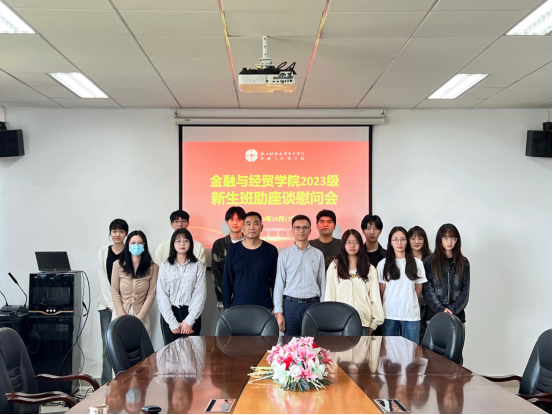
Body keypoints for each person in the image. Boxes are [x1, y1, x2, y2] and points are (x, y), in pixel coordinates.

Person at [274, 215, 326, 336]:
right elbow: (279, 284)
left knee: (313, 343)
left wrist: (323, 309)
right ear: (292, 230)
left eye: (305, 227)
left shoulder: (318, 254)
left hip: (313, 304)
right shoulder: (284, 255)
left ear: (310, 230)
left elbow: (322, 283)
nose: (301, 230)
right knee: (290, 343)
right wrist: (279, 312)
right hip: (291, 305)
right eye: (297, 227)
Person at [325, 230, 384, 336]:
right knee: (341, 347)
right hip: (340, 321)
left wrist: (375, 322)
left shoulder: (369, 268)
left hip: (363, 321)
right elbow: (330, 295)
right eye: (348, 242)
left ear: (360, 244)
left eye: (356, 242)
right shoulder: (335, 266)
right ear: (343, 244)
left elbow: (375, 297)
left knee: (362, 347)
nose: (352, 245)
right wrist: (330, 320)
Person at [378, 226, 427, 344]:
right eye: (395, 239)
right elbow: (382, 290)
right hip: (389, 315)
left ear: (407, 241)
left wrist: (409, 301)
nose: (399, 243)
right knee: (389, 353)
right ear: (390, 242)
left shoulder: (417, 263)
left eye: (403, 239)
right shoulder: (383, 264)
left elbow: (418, 289)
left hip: (411, 316)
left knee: (411, 353)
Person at [157, 228, 206, 345]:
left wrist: (189, 320)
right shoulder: (165, 266)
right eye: (178, 241)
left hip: (191, 313)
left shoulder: (198, 266)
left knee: (192, 352)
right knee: (171, 352)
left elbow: (200, 294)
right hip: (170, 313)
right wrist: (172, 322)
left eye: (186, 240)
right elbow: (162, 295)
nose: (182, 244)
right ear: (173, 244)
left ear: (191, 243)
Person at [223, 212, 278, 311]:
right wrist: (226, 306)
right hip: (239, 306)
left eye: (255, 223)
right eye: (248, 224)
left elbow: (276, 281)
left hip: (264, 307)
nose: (252, 227)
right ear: (243, 228)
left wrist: (276, 306)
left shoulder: (271, 250)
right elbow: (227, 279)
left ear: (261, 227)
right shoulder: (233, 250)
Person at [96, 218, 128, 385]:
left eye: (121, 231)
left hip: (125, 305)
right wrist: (111, 303)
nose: (117, 234)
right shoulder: (103, 252)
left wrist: (120, 305)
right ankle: (106, 385)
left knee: (124, 345)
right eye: (114, 231)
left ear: (126, 234)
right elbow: (102, 279)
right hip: (106, 306)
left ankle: (124, 383)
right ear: (110, 233)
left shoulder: (130, 251)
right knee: (107, 347)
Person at [111, 230, 159, 336]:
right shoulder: (117, 265)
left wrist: (140, 317)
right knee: (119, 344)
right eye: (133, 243)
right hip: (120, 313)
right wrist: (121, 315)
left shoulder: (153, 267)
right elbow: (114, 291)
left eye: (140, 243)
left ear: (144, 245)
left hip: (141, 315)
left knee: (140, 345)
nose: (136, 246)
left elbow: (151, 295)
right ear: (128, 245)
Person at [423, 224, 470, 328]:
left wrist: (452, 309)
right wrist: (441, 309)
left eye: (453, 238)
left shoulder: (463, 262)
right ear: (439, 239)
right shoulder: (429, 262)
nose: (449, 241)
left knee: (456, 339)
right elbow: (427, 290)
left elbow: (465, 291)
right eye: (445, 238)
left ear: (457, 240)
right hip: (433, 315)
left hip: (457, 316)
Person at [212, 207, 246, 313]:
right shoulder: (219, 244)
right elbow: (216, 274)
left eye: (239, 219)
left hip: (247, 298)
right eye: (231, 219)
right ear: (226, 222)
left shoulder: (250, 244)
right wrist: (227, 294)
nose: (235, 222)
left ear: (244, 222)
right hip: (225, 299)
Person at [408, 226, 433, 344]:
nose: (416, 241)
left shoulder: (432, 259)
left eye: (420, 238)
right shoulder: (403, 259)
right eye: (413, 238)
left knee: (426, 340)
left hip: (429, 304)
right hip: (409, 304)